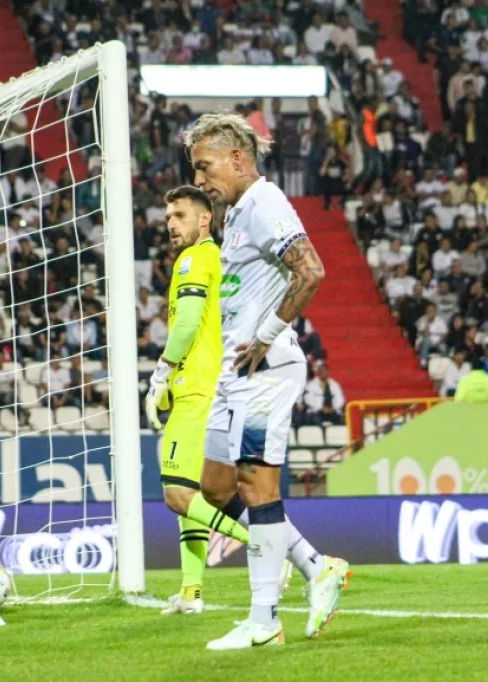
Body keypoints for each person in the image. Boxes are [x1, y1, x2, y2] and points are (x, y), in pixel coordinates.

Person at [185, 112, 349, 650]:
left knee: (258, 488)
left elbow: (312, 270)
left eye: (205, 167)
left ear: (237, 159)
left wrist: (269, 333)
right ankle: (316, 566)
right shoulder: (235, 215)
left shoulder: (265, 204)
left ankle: (264, 620)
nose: (201, 179)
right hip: (238, 373)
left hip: (265, 368)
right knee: (213, 487)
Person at [143, 186, 251, 616]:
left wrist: (161, 372)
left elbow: (186, 324)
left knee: (176, 496)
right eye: (168, 216)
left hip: (196, 393)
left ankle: (266, 545)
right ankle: (192, 591)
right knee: (192, 497)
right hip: (211, 388)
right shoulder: (215, 259)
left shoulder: (192, 259)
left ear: (204, 219)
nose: (171, 224)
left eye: (180, 215)